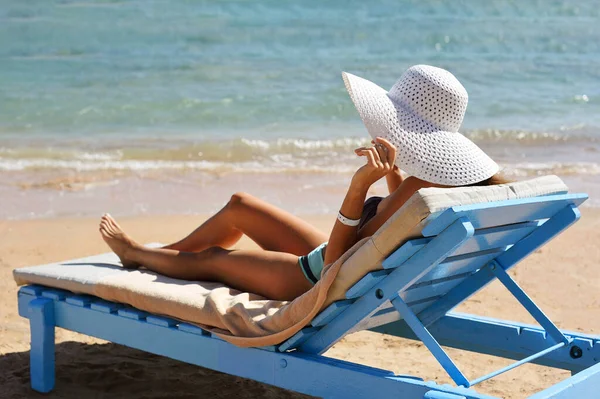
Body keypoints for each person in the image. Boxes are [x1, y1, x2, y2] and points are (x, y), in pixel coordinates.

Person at [99, 65, 507, 301]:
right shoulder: (436, 183)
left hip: (314, 278)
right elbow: (387, 224)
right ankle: (163, 256)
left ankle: (137, 255)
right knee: (240, 203)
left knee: (212, 258)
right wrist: (392, 175)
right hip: (336, 259)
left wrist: (360, 186)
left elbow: (337, 264)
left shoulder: (421, 192)